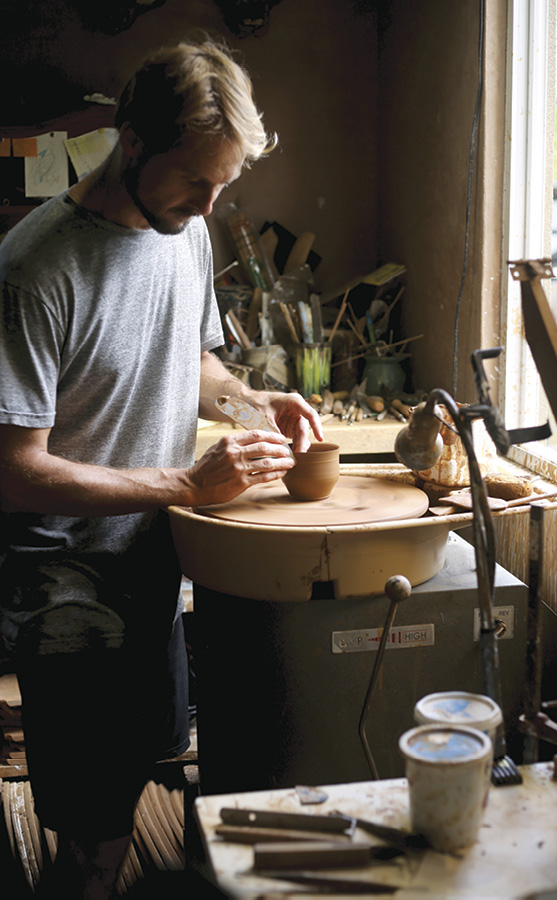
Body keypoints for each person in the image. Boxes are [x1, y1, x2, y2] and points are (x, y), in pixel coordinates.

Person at [0, 35, 322, 899]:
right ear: (132, 141)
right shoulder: (33, 271)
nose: (211, 203)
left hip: (152, 562)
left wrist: (255, 402)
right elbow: (15, 470)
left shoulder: (184, 230)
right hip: (65, 583)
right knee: (95, 840)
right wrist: (186, 485)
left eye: (225, 183)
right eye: (197, 179)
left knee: (150, 765)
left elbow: (197, 365)